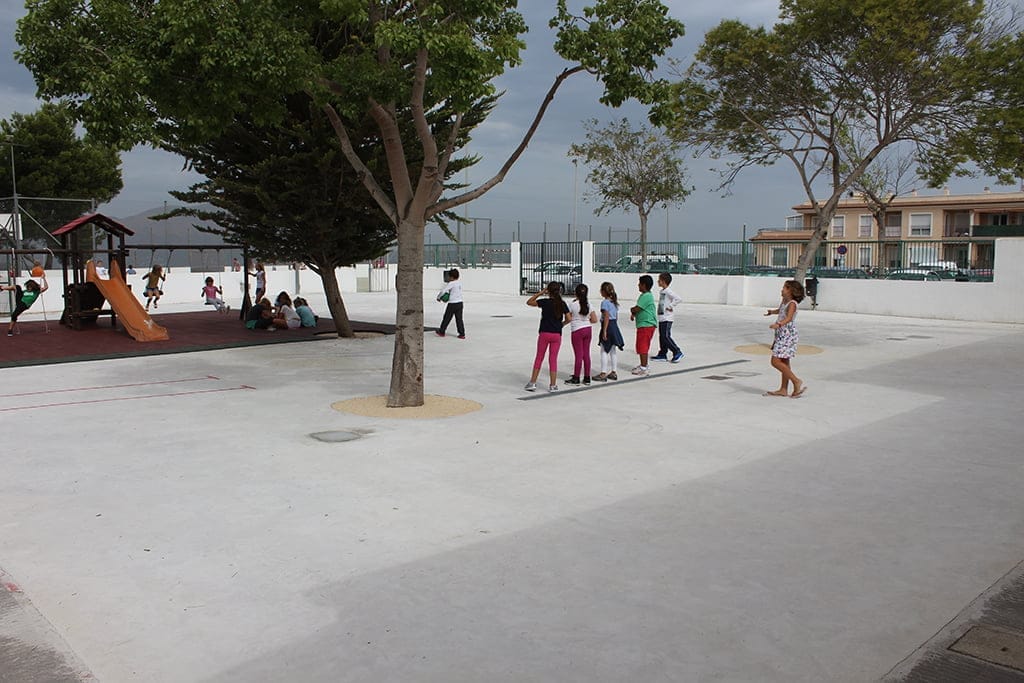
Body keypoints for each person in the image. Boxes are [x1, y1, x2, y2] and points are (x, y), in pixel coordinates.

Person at [525, 281, 572, 392]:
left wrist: (541, 292)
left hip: (544, 333)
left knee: (539, 357)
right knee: (553, 359)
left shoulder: (545, 302)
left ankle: (532, 382)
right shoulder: (562, 303)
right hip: (556, 334)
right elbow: (569, 318)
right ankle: (553, 385)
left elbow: (529, 302)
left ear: (549, 291)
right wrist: (562, 324)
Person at [764, 279, 807, 398]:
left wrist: (778, 324)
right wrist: (772, 312)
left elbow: (789, 317)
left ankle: (796, 381)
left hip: (787, 334)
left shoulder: (792, 303)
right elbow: (781, 311)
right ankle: (783, 389)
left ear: (791, 291)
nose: (782, 290)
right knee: (784, 362)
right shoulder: (784, 301)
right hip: (781, 333)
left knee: (775, 361)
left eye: (785, 288)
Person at [566, 283, 598, 385]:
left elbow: (569, 318)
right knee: (586, 354)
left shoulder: (573, 304)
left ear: (576, 293)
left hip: (577, 330)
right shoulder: (589, 304)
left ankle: (576, 377)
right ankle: (587, 377)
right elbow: (594, 319)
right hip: (588, 329)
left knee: (578, 355)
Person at [592, 281, 624, 382]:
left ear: (603, 292)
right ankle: (614, 372)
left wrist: (604, 330)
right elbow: (615, 317)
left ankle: (603, 373)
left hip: (607, 326)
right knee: (613, 350)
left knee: (604, 350)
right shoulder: (614, 302)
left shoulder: (605, 303)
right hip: (614, 325)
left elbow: (606, 316)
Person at [629, 274, 658, 376]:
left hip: (646, 325)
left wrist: (632, 310)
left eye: (640, 284)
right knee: (641, 345)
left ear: (644, 285)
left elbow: (638, 308)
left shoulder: (647, 296)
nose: (638, 285)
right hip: (643, 324)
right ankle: (643, 364)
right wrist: (634, 314)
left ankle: (644, 367)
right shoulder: (644, 296)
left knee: (643, 346)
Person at [652, 272, 684, 363]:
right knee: (662, 337)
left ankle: (677, 351)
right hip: (662, 317)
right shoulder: (662, 291)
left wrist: (670, 306)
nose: (658, 281)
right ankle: (662, 354)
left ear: (663, 281)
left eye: (659, 280)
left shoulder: (668, 291)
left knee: (666, 336)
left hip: (667, 318)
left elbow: (678, 298)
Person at [435, 268, 465, 339]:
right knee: (459, 319)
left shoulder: (451, 283)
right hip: (460, 303)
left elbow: (443, 291)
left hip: (452, 304)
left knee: (446, 318)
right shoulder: (459, 283)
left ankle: (442, 332)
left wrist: (438, 297)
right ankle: (462, 334)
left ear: (451, 277)